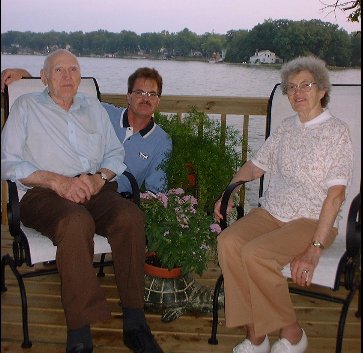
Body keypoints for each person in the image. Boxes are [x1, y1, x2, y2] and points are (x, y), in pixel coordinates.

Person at [1, 49, 164, 353]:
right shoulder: (26, 106)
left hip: (93, 187)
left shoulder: (95, 108)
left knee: (130, 217)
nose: (67, 76)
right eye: (59, 70)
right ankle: (79, 330)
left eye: (73, 70)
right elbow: (8, 162)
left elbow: (116, 155)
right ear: (45, 77)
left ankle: (134, 321)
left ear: (80, 76)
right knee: (77, 222)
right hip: (43, 192)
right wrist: (56, 181)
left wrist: (98, 178)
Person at [213, 56, 353, 353]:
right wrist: (227, 194)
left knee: (255, 254)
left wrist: (314, 250)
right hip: (272, 212)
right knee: (228, 242)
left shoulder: (336, 133)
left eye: (306, 85)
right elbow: (255, 167)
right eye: (291, 87)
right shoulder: (285, 128)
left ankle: (291, 333)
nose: (298, 92)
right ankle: (258, 338)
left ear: (322, 90)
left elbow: (336, 195)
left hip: (312, 220)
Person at [1, 66, 172, 195]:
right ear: (128, 96)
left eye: (152, 94)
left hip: (117, 200)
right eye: (139, 92)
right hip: (82, 188)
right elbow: (61, 96)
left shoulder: (162, 141)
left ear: (158, 101)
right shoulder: (102, 112)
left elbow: (156, 191)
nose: (145, 99)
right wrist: (27, 78)